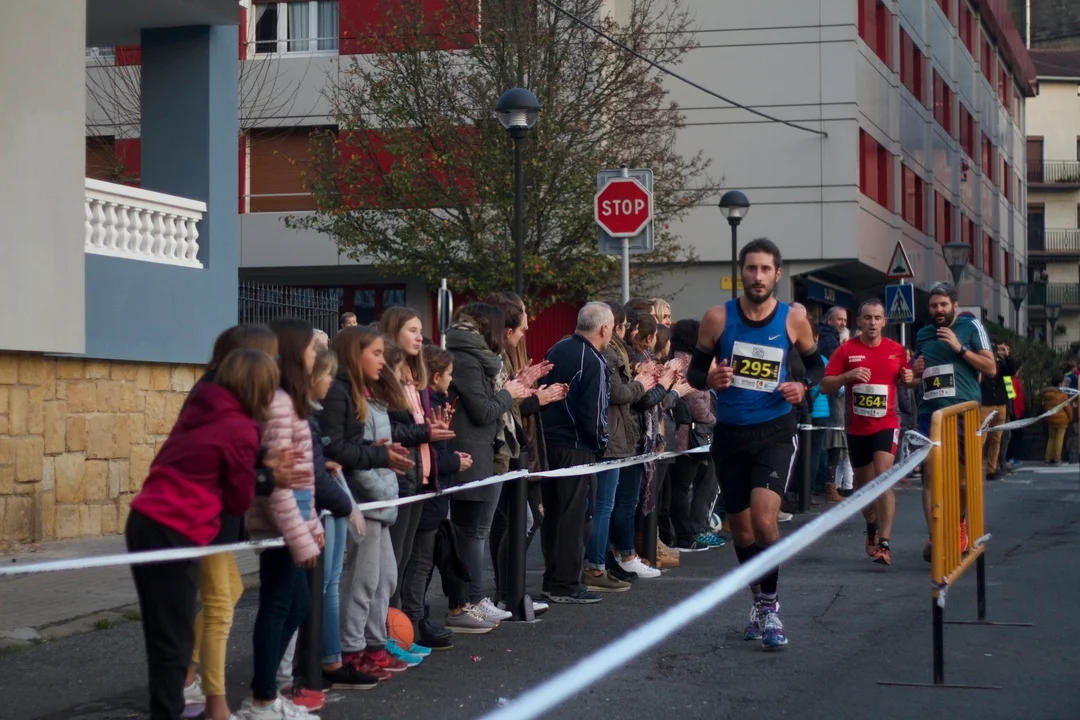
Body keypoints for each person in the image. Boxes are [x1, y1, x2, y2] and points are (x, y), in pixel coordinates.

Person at [687, 237, 824, 650]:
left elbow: (816, 367)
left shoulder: (793, 319)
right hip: (730, 434)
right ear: (741, 272)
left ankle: (770, 607)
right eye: (751, 268)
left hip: (775, 431)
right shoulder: (717, 318)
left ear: (777, 274)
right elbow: (694, 374)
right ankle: (759, 602)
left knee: (765, 519)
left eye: (766, 269)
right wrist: (710, 379)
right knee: (742, 530)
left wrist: (803, 387)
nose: (758, 276)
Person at [127, 349, 278, 720]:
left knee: (164, 635)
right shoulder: (242, 427)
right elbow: (238, 498)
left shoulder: (203, 405)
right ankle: (173, 707)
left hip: (145, 519)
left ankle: (174, 702)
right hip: (177, 527)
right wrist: (270, 476)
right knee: (173, 641)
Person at [243, 319, 326, 719]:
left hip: (294, 524)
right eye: (312, 349)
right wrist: (300, 535)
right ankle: (261, 700)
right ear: (295, 354)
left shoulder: (292, 401)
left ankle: (264, 694)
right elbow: (279, 483)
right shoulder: (278, 403)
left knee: (297, 605)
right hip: (278, 528)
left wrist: (312, 524)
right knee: (278, 607)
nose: (316, 357)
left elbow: (302, 478)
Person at [322, 326, 414, 681]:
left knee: (383, 578)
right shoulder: (339, 392)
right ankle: (351, 650)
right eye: (375, 354)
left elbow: (353, 446)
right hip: (359, 501)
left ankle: (373, 644)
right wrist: (378, 457)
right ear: (353, 354)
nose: (382, 362)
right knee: (359, 581)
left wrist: (377, 454)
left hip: (374, 501)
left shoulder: (355, 392)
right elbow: (336, 448)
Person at [445, 303, 530, 623]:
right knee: (472, 532)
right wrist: (508, 394)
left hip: (486, 449)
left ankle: (474, 598)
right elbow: (482, 410)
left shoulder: (480, 357)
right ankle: (471, 599)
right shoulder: (467, 359)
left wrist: (510, 391)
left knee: (478, 530)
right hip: (473, 450)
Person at [820, 299, 914, 566]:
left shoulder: (895, 350)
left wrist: (910, 379)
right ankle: (871, 525)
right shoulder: (846, 350)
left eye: (877, 318)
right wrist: (847, 376)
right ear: (859, 322)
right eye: (867, 318)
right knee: (864, 488)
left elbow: (908, 379)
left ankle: (884, 544)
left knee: (883, 478)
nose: (872, 322)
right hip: (857, 427)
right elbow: (825, 385)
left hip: (887, 423)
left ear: (884, 321)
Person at [911, 283, 996, 563]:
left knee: (961, 480)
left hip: (962, 413)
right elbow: (913, 376)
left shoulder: (971, 327)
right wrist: (913, 370)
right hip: (931, 414)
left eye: (943, 305)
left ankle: (959, 522)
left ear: (955, 306)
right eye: (934, 305)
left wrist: (960, 349)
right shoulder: (923, 334)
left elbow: (990, 368)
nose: (938, 310)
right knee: (931, 476)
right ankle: (935, 536)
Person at [540, 302, 615, 604]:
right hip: (576, 448)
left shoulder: (556, 349)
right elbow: (594, 413)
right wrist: (600, 444)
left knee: (554, 516)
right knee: (576, 518)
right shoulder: (594, 360)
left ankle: (552, 579)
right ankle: (566, 584)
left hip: (548, 443)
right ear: (604, 329)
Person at [979, 338, 1017, 479]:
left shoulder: (1001, 362)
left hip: (1000, 404)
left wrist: (1007, 356)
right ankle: (977, 469)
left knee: (996, 439)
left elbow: (1011, 371)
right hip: (985, 404)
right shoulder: (980, 360)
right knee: (981, 439)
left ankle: (991, 469)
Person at [1042, 373, 1073, 465]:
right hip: (1062, 420)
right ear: (1060, 384)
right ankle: (1057, 458)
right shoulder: (1062, 395)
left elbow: (1044, 406)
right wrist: (1070, 418)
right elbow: (1068, 408)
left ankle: (1048, 458)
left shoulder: (1046, 394)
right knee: (1059, 439)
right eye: (1063, 382)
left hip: (1050, 418)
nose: (1064, 384)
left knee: (1051, 439)